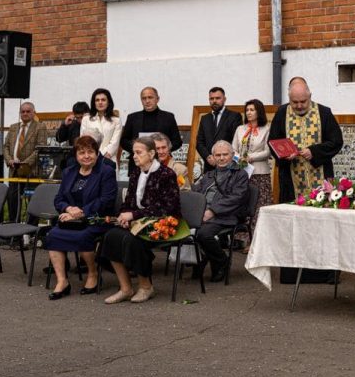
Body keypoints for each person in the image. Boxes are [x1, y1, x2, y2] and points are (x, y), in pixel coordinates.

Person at [269, 80, 343, 284]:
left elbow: (337, 141)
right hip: (291, 182)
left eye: (303, 101)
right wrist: (285, 154)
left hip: (320, 180)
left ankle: (326, 273)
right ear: (289, 98)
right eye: (295, 102)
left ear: (310, 95)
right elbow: (272, 143)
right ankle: (294, 274)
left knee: (323, 227)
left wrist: (315, 152)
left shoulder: (324, 113)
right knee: (294, 227)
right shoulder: (281, 113)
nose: (300, 106)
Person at [101, 137, 181, 304]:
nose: (134, 156)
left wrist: (134, 216)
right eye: (133, 153)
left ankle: (146, 286)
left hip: (164, 221)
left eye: (139, 152)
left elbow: (166, 207)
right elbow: (129, 201)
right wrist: (123, 215)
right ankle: (125, 288)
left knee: (132, 239)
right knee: (110, 236)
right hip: (140, 219)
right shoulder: (136, 172)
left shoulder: (167, 174)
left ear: (151, 154)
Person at [43, 136, 118, 300]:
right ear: (76, 155)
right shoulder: (69, 172)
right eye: (81, 152)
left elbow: (106, 200)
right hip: (71, 219)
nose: (86, 156)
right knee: (53, 235)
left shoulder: (106, 172)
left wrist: (81, 212)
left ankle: (93, 274)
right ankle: (62, 281)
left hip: (97, 218)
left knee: (84, 236)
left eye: (90, 152)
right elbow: (59, 199)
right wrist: (68, 208)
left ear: (97, 153)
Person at [192, 141, 249, 282]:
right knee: (183, 229)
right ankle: (199, 258)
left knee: (203, 234)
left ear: (233, 155)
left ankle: (221, 261)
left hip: (226, 215)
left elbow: (236, 198)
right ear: (213, 157)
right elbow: (197, 192)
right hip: (203, 213)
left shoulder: (240, 174)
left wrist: (212, 211)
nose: (222, 158)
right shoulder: (209, 175)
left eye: (225, 154)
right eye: (218, 155)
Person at [231, 99, 272, 253]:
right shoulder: (240, 129)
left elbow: (268, 151)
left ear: (259, 112)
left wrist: (251, 157)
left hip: (260, 173)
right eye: (247, 110)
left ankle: (258, 241)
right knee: (244, 206)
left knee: (259, 208)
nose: (249, 112)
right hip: (243, 173)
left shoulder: (266, 129)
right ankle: (243, 240)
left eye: (252, 110)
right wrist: (238, 158)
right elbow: (233, 148)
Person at [3, 102, 47, 222]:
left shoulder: (40, 127)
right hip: (13, 170)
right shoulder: (13, 127)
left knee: (33, 202)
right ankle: (13, 230)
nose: (25, 113)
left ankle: (31, 231)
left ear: (34, 112)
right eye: (23, 111)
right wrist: (9, 160)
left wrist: (24, 164)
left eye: (28, 111)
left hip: (31, 171)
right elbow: (5, 146)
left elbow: (40, 149)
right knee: (13, 201)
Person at [120, 87, 182, 172]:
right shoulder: (132, 118)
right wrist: (140, 149)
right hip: (138, 165)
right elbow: (123, 141)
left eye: (150, 97)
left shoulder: (168, 117)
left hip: (163, 164)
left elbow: (177, 141)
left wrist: (162, 150)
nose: (147, 101)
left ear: (157, 99)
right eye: (144, 98)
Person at [196, 87, 243, 173]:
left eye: (217, 98)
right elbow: (199, 142)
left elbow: (236, 141)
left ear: (224, 99)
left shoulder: (234, 116)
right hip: (209, 166)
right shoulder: (204, 118)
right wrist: (208, 157)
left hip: (228, 166)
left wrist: (224, 157)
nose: (214, 101)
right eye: (211, 98)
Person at [81, 88, 122, 168]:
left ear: (108, 102)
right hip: (89, 159)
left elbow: (115, 142)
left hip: (108, 158)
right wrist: (92, 155)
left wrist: (101, 156)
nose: (100, 102)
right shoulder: (86, 119)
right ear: (93, 102)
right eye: (97, 100)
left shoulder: (116, 120)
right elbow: (83, 140)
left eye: (103, 100)